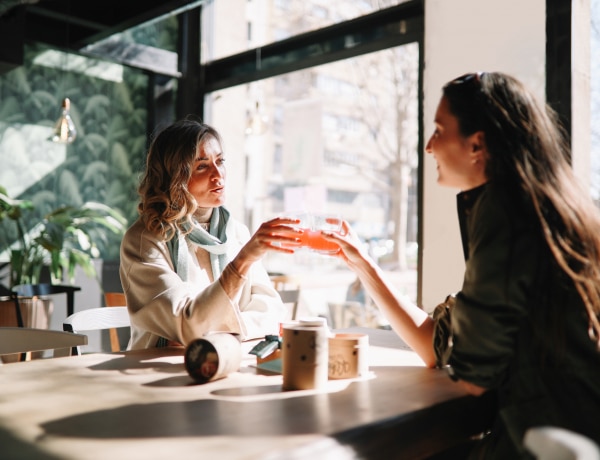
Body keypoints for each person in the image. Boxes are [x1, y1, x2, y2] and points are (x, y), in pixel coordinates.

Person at [321, 72, 600, 458]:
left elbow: (473, 377)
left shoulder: (505, 213)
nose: (429, 146)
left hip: (542, 441)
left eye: (438, 130)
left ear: (477, 144)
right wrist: (363, 264)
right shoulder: (543, 205)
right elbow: (439, 344)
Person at [120, 118, 301, 350]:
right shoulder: (146, 239)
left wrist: (221, 330)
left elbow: (272, 311)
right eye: (202, 166)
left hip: (227, 362)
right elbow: (188, 324)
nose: (219, 175)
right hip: (157, 369)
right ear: (175, 176)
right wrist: (242, 262)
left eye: (220, 161)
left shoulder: (236, 232)